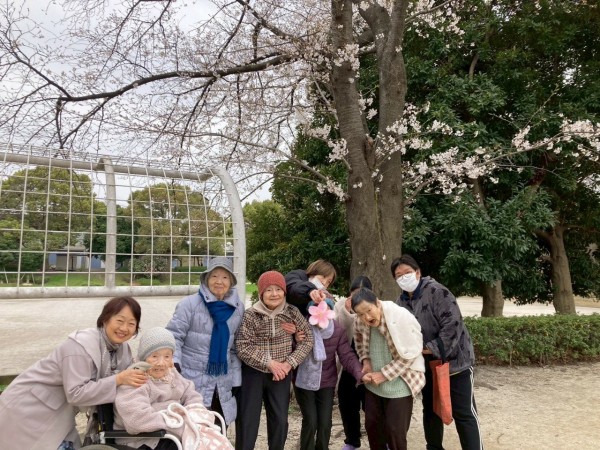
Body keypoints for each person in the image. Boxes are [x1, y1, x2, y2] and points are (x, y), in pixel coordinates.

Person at [0, 296, 146, 450]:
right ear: (105, 319)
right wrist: (117, 379)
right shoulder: (80, 346)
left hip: (59, 414)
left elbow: (129, 378)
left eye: (131, 324)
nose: (124, 328)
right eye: (120, 321)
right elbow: (76, 393)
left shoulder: (122, 351)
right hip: (29, 409)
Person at [391, 254, 483, 450]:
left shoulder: (437, 292)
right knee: (431, 410)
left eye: (408, 272)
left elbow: (453, 324)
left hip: (456, 362)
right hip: (427, 366)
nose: (404, 277)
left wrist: (429, 348)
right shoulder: (400, 302)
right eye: (399, 275)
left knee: (463, 412)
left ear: (418, 272)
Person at [114, 327, 233, 450]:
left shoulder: (171, 373)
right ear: (143, 357)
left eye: (167, 356)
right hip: (143, 439)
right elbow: (137, 420)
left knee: (209, 440)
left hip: (171, 433)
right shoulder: (135, 378)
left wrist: (194, 413)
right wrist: (177, 423)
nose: (161, 363)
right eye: (154, 356)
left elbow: (190, 393)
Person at [234, 270, 314, 450]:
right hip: (254, 372)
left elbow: (308, 339)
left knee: (280, 419)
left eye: (278, 289)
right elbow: (243, 346)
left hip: (281, 374)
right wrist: (269, 363)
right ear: (261, 293)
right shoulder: (251, 314)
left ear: (284, 292)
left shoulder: (292, 312)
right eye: (269, 290)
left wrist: (289, 363)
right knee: (248, 419)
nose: (274, 294)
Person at [166, 256, 245, 428]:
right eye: (214, 276)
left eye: (225, 277)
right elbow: (173, 337)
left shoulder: (238, 308)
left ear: (231, 282)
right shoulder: (189, 304)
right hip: (192, 379)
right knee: (193, 430)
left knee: (218, 428)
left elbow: (234, 348)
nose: (219, 281)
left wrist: (236, 380)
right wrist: (175, 364)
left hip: (222, 381)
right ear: (206, 279)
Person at [352, 287, 426, 450]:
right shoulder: (359, 320)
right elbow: (358, 339)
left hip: (401, 380)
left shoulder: (400, 316)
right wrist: (365, 361)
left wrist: (384, 374)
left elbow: (411, 353)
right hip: (374, 383)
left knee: (395, 431)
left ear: (377, 303)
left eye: (369, 310)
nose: (367, 317)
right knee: (373, 427)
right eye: (361, 314)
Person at [294, 296, 364, 450]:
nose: (322, 313)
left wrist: (359, 373)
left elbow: (346, 355)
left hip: (327, 381)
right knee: (311, 421)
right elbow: (290, 351)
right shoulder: (301, 327)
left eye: (326, 309)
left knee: (325, 422)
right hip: (304, 380)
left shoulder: (337, 330)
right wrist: (295, 340)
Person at [334, 276, 371, 450]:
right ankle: (352, 440)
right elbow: (337, 330)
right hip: (347, 362)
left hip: (370, 362)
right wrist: (347, 312)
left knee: (371, 405)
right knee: (347, 402)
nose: (358, 297)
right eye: (355, 293)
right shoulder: (341, 305)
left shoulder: (374, 306)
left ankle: (381, 439)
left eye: (363, 293)